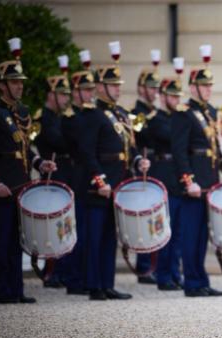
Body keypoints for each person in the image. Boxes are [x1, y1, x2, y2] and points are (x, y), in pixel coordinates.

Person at [0, 41, 57, 304]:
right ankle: (3, 291)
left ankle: (17, 290)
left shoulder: (21, 112)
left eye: (21, 82)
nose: (19, 86)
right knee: (1, 243)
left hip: (21, 186)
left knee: (18, 241)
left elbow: (25, 149)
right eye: (13, 82)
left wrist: (39, 164)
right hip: (2, 188)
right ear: (2, 85)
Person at [79, 58, 150, 301]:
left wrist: (138, 161)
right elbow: (87, 152)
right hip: (100, 186)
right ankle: (94, 284)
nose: (118, 88)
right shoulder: (93, 114)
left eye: (118, 84)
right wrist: (99, 181)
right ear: (100, 87)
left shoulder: (120, 113)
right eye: (112, 84)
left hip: (118, 183)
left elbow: (128, 147)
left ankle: (107, 283)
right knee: (96, 237)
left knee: (110, 236)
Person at [173, 50, 222, 297]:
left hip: (209, 183)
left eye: (210, 86)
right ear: (193, 88)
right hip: (195, 185)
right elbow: (179, 152)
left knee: (202, 237)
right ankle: (192, 283)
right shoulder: (183, 113)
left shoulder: (209, 113)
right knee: (190, 235)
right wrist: (189, 181)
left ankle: (202, 280)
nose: (208, 90)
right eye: (203, 86)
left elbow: (212, 147)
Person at [138, 70, 184, 291]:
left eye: (178, 96)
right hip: (164, 174)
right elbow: (172, 138)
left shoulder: (178, 119)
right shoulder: (156, 119)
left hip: (177, 176)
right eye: (173, 96)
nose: (176, 100)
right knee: (164, 230)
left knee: (177, 233)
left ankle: (175, 273)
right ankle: (163, 276)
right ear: (164, 97)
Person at [31, 63, 74, 289]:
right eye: (62, 94)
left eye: (68, 94)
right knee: (52, 227)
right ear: (51, 95)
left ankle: (64, 269)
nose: (66, 99)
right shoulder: (44, 117)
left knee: (65, 225)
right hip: (52, 176)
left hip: (66, 174)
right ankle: (52, 271)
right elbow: (58, 141)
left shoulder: (61, 117)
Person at [59, 67, 97, 296]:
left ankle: (84, 276)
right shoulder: (70, 118)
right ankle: (73, 278)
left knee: (87, 232)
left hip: (86, 177)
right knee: (76, 230)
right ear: (75, 92)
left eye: (91, 89)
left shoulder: (88, 115)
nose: (90, 94)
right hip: (76, 176)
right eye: (85, 90)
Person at [132, 67, 161, 285]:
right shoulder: (136, 113)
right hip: (144, 167)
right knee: (145, 219)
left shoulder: (155, 112)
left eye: (156, 88)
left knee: (158, 218)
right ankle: (144, 266)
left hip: (157, 165)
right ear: (141, 89)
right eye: (150, 87)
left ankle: (155, 264)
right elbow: (144, 136)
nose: (154, 91)